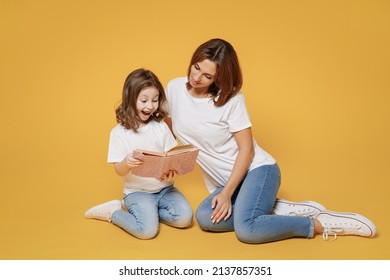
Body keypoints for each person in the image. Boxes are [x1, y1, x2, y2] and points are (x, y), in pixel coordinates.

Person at [164, 38, 376, 243]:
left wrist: (227, 194)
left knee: (247, 230)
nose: (197, 77)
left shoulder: (231, 101)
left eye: (208, 76)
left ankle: (320, 224)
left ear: (219, 79)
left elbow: (247, 150)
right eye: (197, 67)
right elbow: (169, 130)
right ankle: (276, 208)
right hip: (227, 182)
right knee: (205, 218)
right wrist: (164, 162)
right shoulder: (174, 88)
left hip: (258, 170)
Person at [84, 68, 193, 239]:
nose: (150, 106)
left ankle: (149, 213)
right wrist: (126, 163)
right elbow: (119, 171)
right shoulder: (119, 133)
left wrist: (171, 172)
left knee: (185, 219)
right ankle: (113, 212)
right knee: (147, 231)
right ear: (130, 98)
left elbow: (169, 158)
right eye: (144, 100)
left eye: (155, 100)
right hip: (137, 192)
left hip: (165, 189)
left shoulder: (161, 127)